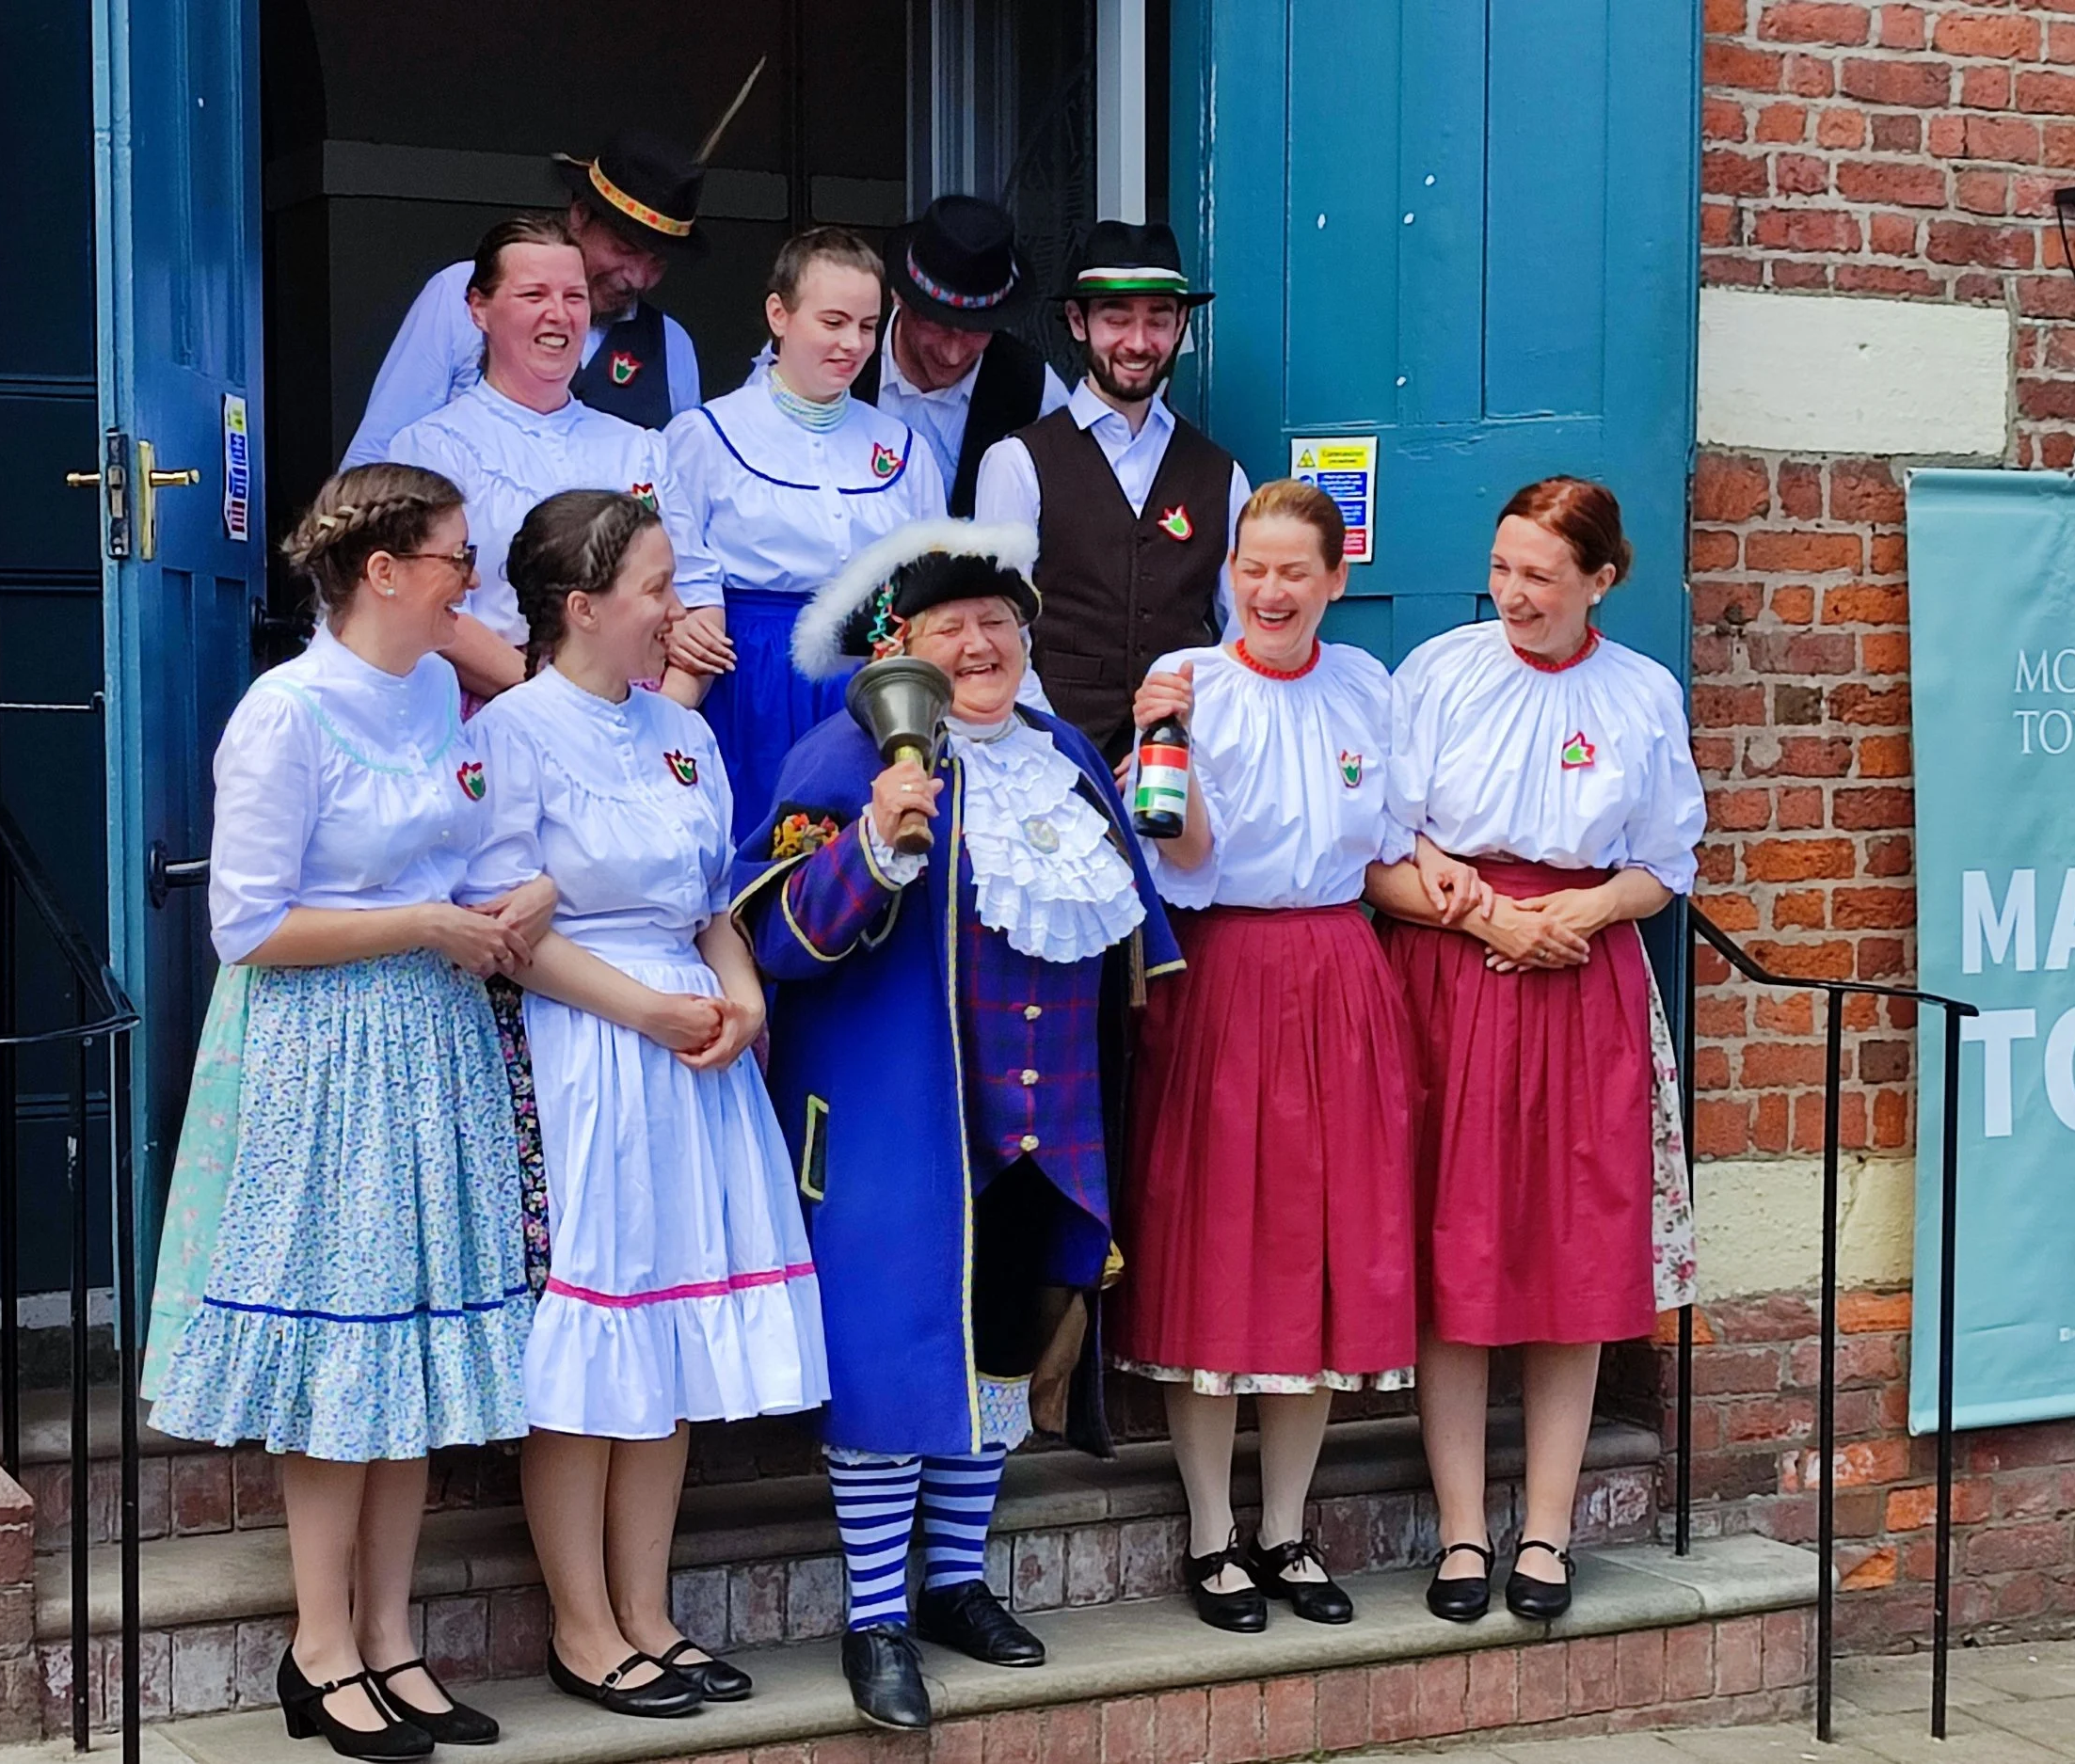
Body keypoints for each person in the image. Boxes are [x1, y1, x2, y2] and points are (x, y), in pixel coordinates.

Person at [730, 522, 1179, 1733]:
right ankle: (874, 1616)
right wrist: (874, 846)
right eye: (951, 627)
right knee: (889, 1356)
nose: (980, 644)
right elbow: (777, 941)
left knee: (1003, 1341)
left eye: (999, 623)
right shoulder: (840, 754)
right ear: (903, 646)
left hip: (1048, 1113)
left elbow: (1137, 936)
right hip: (901, 1118)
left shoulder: (1065, 754)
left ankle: (953, 1583)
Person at [147, 464, 551, 1757]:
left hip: (431, 1042)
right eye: (453, 558)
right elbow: (248, 924)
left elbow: (472, 846)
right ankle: (318, 1642)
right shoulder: (289, 713)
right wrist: (423, 923)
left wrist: (513, 897)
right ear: (384, 570)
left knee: (413, 1353)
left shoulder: (440, 688)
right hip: (322, 1054)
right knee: (343, 1357)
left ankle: (392, 1633)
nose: (469, 579)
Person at [463, 490, 829, 1720]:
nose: (680, 611)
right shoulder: (517, 731)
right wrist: (648, 1011)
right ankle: (581, 1620)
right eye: (659, 588)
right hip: (591, 1047)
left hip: (695, 1052)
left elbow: (712, 897)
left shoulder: (680, 733)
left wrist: (739, 996)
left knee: (663, 1336)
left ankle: (649, 1605)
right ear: (583, 606)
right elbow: (509, 930)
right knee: (598, 1330)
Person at [1109, 479, 1452, 1635]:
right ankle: (1212, 1538)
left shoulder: (1366, 688)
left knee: (1314, 1248)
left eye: (1293, 571)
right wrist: (1166, 739)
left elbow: (1393, 838)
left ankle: (1286, 1530)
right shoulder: (1190, 686)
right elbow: (1183, 853)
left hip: (1343, 974)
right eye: (1251, 568)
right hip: (1227, 976)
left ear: (1333, 581)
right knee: (1220, 1242)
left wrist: (1450, 882)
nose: (1269, 590)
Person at [1369, 476, 1705, 1626]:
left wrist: (1592, 910)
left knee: (1569, 1260)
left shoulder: (1641, 695)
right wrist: (1480, 916)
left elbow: (1667, 864)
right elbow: (1373, 851)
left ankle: (1547, 1532)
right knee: (1456, 1256)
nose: (1512, 594)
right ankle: (1464, 1530)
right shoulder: (1441, 674)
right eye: (1503, 568)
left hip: (1581, 987)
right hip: (1452, 981)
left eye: (1540, 577)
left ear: (1600, 581)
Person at [665, 229, 948, 840]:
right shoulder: (705, 434)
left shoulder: (902, 447)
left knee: (864, 857)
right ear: (779, 314)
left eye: (869, 326)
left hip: (870, 682)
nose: (853, 344)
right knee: (753, 848)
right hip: (750, 678)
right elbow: (672, 572)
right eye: (834, 321)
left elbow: (930, 584)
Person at [386, 215, 720, 707]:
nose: (559, 314)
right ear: (478, 308)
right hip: (500, 708)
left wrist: (666, 715)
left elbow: (698, 596)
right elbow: (433, 606)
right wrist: (559, 712)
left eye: (574, 296)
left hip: (639, 716)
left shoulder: (638, 446)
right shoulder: (432, 448)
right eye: (533, 296)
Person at [974, 219, 1249, 764]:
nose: (1139, 343)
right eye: (1117, 320)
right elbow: (997, 628)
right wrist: (1055, 747)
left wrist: (1183, 742)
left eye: (1159, 321)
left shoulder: (1222, 474)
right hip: (1047, 756)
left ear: (1181, 326)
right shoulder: (1017, 463)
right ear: (1078, 322)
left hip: (1186, 763)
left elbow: (1241, 637)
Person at [343, 128, 708, 467]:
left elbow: (677, 492)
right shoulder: (461, 294)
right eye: (624, 248)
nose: (638, 278)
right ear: (579, 214)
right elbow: (377, 458)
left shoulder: (671, 345)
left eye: (658, 262)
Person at [848, 196, 1063, 516]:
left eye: (976, 331)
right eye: (937, 325)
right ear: (898, 297)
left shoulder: (1034, 388)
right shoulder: (841, 359)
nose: (952, 355)